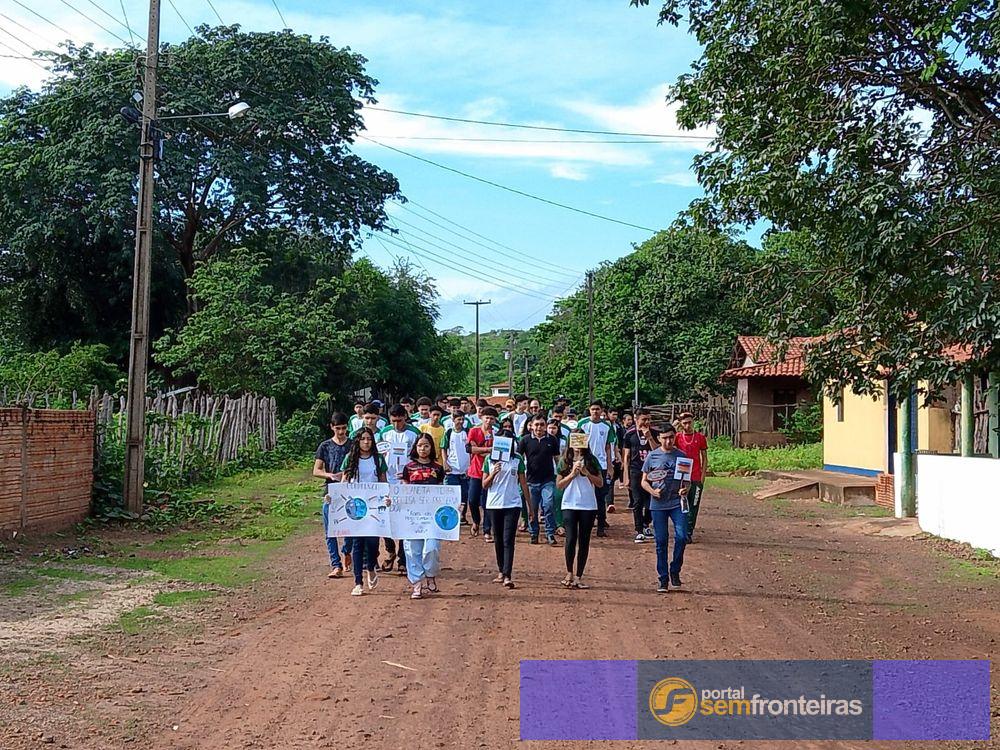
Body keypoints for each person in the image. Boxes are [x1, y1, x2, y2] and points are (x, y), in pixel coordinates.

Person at [641, 424, 690, 593]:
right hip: (658, 505)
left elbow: (687, 481)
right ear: (659, 438)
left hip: (678, 503)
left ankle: (675, 570)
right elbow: (644, 481)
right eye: (664, 438)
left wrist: (686, 489)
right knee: (661, 541)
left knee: (682, 537)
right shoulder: (652, 457)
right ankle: (663, 578)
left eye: (671, 437)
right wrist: (652, 491)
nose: (668, 441)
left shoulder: (682, 456)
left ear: (675, 436)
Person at [339, 427, 388, 596]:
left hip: (374, 507)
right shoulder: (350, 458)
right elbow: (344, 482)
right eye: (363, 439)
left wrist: (386, 498)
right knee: (357, 544)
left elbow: (383, 481)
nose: (366, 442)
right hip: (356, 507)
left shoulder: (378, 459)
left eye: (369, 439)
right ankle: (358, 581)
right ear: (357, 441)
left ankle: (371, 566)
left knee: (373, 543)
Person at [401, 433, 447, 599]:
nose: (423, 449)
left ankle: (430, 574)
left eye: (426, 445)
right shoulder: (408, 468)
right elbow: (404, 491)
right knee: (413, 550)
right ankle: (417, 583)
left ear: (431, 448)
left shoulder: (437, 468)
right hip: (412, 516)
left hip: (432, 517)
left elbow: (443, 492)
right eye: (420, 445)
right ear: (415, 447)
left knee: (432, 548)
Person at [376, 405, 421, 573]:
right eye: (393, 421)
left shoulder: (414, 433)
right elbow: (379, 455)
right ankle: (390, 551)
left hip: (407, 481)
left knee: (404, 518)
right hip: (387, 479)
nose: (397, 425)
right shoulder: (384, 433)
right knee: (385, 517)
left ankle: (403, 556)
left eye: (400, 421)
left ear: (405, 418)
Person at [556, 436, 603, 588]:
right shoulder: (565, 460)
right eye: (574, 440)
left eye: (580, 440)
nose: (577, 445)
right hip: (569, 503)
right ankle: (569, 572)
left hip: (588, 505)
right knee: (570, 539)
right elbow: (559, 485)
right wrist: (572, 474)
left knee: (584, 540)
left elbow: (600, 483)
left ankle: (579, 576)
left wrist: (586, 473)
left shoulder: (591, 460)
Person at [482, 446, 532, 589]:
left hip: (512, 504)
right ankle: (501, 571)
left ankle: (507, 575)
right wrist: (493, 473)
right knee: (498, 539)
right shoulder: (489, 459)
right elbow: (484, 485)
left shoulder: (517, 459)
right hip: (494, 504)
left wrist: (529, 506)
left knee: (508, 539)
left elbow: (523, 483)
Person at [313, 412, 353, 578]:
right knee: (330, 530)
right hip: (331, 491)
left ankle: (346, 551)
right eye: (338, 428)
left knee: (351, 528)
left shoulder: (353, 445)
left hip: (350, 491)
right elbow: (316, 470)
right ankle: (335, 564)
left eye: (344, 428)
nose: (341, 432)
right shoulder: (325, 446)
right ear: (332, 427)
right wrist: (330, 475)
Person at [518, 414, 561, 545]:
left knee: (548, 506)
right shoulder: (525, 440)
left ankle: (550, 533)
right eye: (536, 424)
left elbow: (557, 459)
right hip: (531, 480)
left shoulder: (552, 440)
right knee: (533, 509)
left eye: (542, 425)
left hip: (548, 480)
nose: (539, 427)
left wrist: (560, 474)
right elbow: (519, 458)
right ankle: (534, 533)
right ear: (531, 426)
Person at [577, 400, 617, 537]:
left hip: (601, 464)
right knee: (584, 494)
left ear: (602, 411)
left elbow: (608, 447)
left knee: (601, 496)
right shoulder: (583, 424)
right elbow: (577, 442)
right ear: (589, 410)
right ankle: (585, 523)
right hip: (585, 463)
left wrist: (610, 466)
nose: (595, 411)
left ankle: (601, 525)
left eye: (598, 409)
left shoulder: (607, 426)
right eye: (593, 409)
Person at [622, 408, 658, 543]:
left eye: (649, 419)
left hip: (652, 471)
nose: (647, 422)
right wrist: (626, 476)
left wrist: (649, 437)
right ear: (636, 419)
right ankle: (638, 530)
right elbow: (626, 456)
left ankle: (646, 524)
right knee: (637, 501)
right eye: (644, 419)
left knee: (652, 500)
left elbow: (657, 451)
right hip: (636, 470)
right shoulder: (629, 434)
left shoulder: (654, 433)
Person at [675, 412, 709, 543]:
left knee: (694, 506)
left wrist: (703, 475)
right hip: (682, 477)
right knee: (682, 505)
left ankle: (689, 532)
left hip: (696, 477)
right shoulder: (678, 437)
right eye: (684, 423)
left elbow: (704, 457)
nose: (687, 425)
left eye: (689, 422)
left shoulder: (700, 437)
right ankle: (681, 531)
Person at [467, 407, 497, 541]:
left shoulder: (496, 432)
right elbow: (470, 449)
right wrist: (487, 449)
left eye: (491, 418)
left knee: (487, 502)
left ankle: (487, 530)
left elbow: (498, 451)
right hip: (475, 470)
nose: (489, 420)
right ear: (481, 417)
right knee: (472, 500)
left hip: (490, 471)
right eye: (487, 417)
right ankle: (476, 521)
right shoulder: (474, 430)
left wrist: (480, 450)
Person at [441, 406, 473, 531]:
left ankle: (462, 515)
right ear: (453, 419)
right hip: (452, 469)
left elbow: (471, 449)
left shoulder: (468, 432)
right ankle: (450, 516)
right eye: (458, 419)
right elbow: (443, 448)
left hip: (465, 469)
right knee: (451, 494)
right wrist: (445, 463)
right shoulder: (448, 432)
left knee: (464, 494)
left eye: (462, 419)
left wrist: (470, 466)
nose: (460, 421)